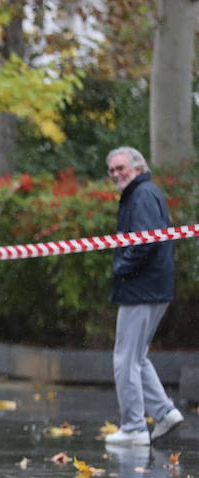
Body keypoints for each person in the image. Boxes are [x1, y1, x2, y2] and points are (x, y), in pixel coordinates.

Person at [103, 146, 181, 446]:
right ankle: (164, 412)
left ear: (137, 167)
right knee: (136, 357)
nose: (115, 174)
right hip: (150, 287)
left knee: (125, 359)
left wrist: (121, 267)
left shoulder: (142, 195)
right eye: (111, 170)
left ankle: (134, 427)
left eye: (120, 168)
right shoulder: (142, 194)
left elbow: (145, 240)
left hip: (142, 289)